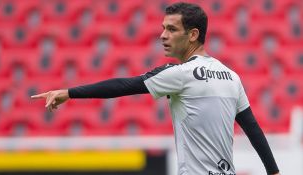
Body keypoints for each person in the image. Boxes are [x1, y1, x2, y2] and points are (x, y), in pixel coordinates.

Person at [31, 2, 280, 175]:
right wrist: (274, 171)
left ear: (193, 35)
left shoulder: (180, 73)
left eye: (171, 29)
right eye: (163, 28)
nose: (162, 35)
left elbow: (124, 85)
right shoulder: (231, 77)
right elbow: (252, 127)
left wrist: (69, 92)